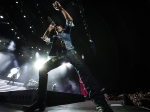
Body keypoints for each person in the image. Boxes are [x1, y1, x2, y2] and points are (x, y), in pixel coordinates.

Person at [22, 1, 113, 112]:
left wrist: (61, 9)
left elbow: (69, 20)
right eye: (56, 28)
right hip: (61, 56)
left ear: (61, 28)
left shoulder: (66, 32)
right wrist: (49, 29)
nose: (57, 28)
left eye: (58, 27)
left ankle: (101, 105)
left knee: (84, 73)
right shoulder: (55, 37)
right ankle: (40, 102)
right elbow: (44, 38)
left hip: (71, 52)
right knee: (42, 70)